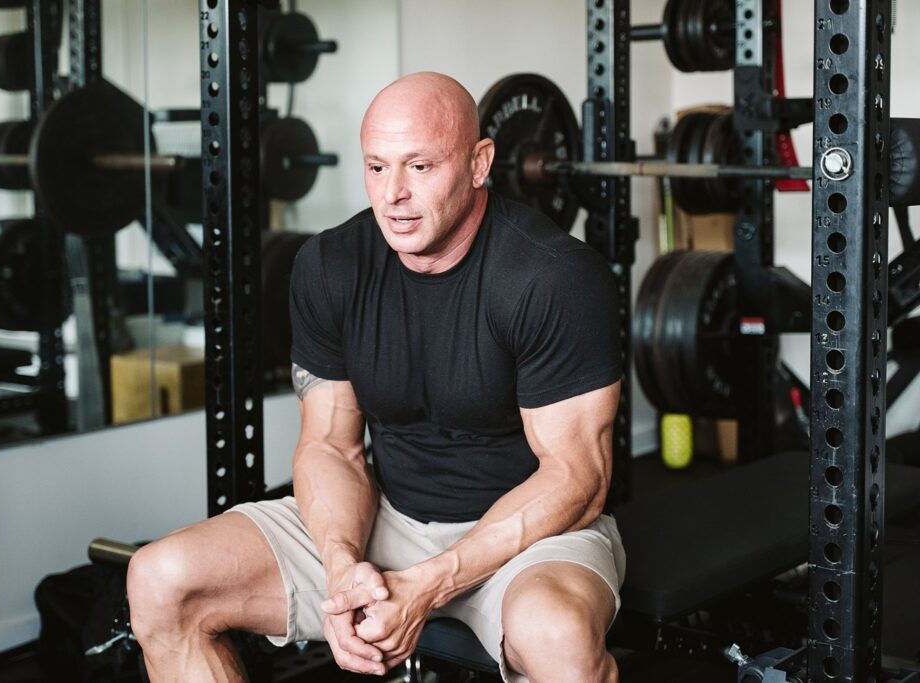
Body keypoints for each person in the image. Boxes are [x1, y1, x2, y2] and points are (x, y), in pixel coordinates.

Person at [127, 71, 625, 683]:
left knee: (559, 639)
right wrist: (341, 567)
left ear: (479, 163)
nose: (392, 194)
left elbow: (578, 479)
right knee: (160, 579)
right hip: (388, 515)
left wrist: (432, 582)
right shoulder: (330, 266)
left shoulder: (552, 277)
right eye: (377, 167)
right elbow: (331, 446)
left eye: (419, 166)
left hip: (529, 537)